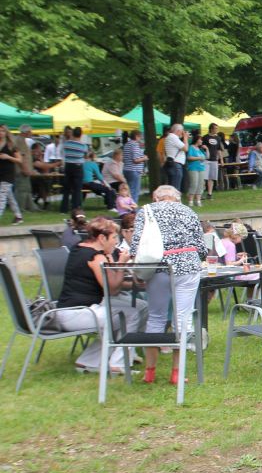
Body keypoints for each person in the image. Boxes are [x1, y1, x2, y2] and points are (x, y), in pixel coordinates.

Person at [129, 185, 206, 385]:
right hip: (188, 265)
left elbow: (136, 245)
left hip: (159, 267)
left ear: (156, 197)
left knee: (156, 317)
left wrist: (137, 270)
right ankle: (177, 372)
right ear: (177, 198)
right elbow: (201, 247)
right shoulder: (188, 211)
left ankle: (150, 371)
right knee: (183, 319)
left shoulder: (146, 211)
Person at [55, 217, 148, 374]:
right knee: (131, 313)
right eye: (114, 238)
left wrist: (137, 285)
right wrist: (121, 264)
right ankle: (118, 363)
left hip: (76, 310)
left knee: (141, 306)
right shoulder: (95, 257)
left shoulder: (81, 248)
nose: (116, 242)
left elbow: (111, 282)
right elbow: (112, 289)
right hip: (76, 314)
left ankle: (89, 360)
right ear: (102, 238)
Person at [60, 126, 89, 213]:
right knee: (77, 189)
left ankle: (64, 209)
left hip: (68, 166)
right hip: (78, 167)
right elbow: (86, 156)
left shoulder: (66, 144)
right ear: (81, 134)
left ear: (73, 133)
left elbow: (63, 152)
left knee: (67, 188)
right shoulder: (83, 146)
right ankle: (76, 208)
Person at [0, 124, 25, 224]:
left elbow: (20, 160)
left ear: (6, 133)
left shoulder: (11, 145)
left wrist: (8, 157)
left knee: (1, 196)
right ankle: (18, 216)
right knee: (9, 196)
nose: (0, 133)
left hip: (8, 174)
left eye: (2, 131)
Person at [13, 124, 37, 214]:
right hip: (21, 170)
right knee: (22, 190)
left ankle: (30, 206)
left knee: (27, 189)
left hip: (24, 170)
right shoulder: (19, 141)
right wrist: (25, 169)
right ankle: (21, 208)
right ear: (26, 132)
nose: (31, 133)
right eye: (30, 131)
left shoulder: (22, 140)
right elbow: (21, 157)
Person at [122, 131, 147, 202]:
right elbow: (135, 160)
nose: (140, 138)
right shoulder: (135, 145)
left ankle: (127, 204)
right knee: (135, 191)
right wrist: (144, 158)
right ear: (136, 136)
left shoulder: (127, 144)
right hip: (134, 170)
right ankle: (133, 206)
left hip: (127, 169)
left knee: (129, 190)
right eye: (140, 136)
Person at [185, 132, 208, 207]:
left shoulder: (200, 149)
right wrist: (199, 158)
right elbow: (189, 157)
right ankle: (190, 201)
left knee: (200, 184)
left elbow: (207, 157)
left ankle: (198, 201)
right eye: (200, 139)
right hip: (193, 168)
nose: (201, 141)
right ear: (196, 140)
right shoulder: (191, 147)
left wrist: (206, 149)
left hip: (201, 168)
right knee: (194, 184)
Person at [203, 123, 223, 200]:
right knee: (204, 177)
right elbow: (202, 147)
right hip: (206, 160)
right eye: (215, 128)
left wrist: (221, 159)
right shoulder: (205, 137)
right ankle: (200, 193)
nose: (217, 130)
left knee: (211, 177)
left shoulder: (218, 138)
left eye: (217, 128)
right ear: (211, 129)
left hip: (214, 160)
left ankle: (209, 193)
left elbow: (219, 149)